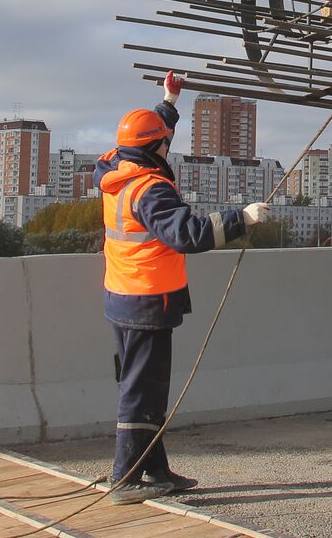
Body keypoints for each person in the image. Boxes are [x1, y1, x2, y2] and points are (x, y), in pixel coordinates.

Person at [97, 71, 270, 504]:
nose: (167, 146)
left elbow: (151, 134)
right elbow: (188, 235)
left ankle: (153, 471)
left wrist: (169, 101)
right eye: (163, 141)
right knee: (141, 389)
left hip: (124, 295)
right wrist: (242, 219)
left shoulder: (116, 168)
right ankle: (126, 478)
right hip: (147, 299)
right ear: (153, 149)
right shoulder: (150, 189)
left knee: (147, 385)